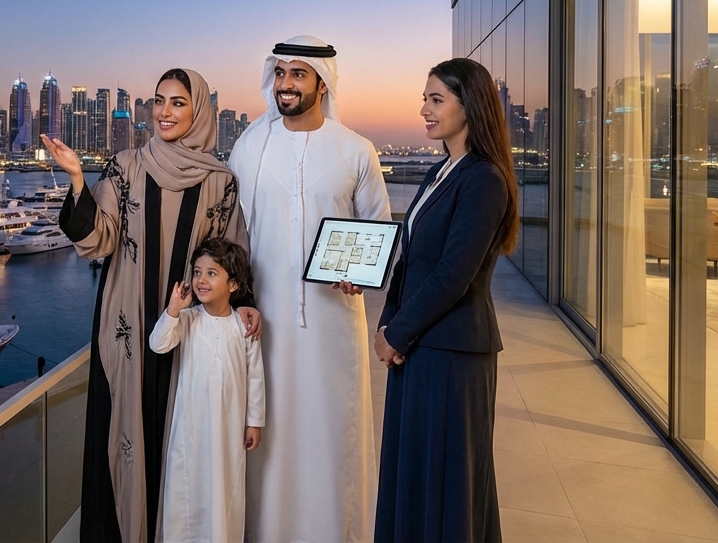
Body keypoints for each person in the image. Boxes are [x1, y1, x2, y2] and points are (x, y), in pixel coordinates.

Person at [44, 67, 259, 543]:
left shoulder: (220, 182)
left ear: (199, 110)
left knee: (178, 436)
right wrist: (78, 177)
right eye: (158, 101)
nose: (164, 112)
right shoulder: (125, 167)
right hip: (126, 324)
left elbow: (231, 255)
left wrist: (244, 303)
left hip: (191, 334)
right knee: (122, 430)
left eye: (178, 103)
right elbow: (98, 239)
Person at [227, 35, 392, 543]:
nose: (286, 85)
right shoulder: (250, 145)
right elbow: (233, 234)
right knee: (266, 435)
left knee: (331, 435)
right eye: (280, 74)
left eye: (298, 74)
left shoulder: (356, 149)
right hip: (263, 321)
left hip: (334, 323)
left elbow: (378, 232)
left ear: (323, 83)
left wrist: (360, 274)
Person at [373, 58, 518, 543]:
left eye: (436, 100)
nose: (424, 110)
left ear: (469, 105)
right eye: (425, 99)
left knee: (448, 481)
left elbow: (453, 275)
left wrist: (396, 332)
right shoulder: (443, 170)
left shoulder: (483, 180)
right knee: (415, 473)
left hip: (453, 356)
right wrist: (389, 323)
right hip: (420, 350)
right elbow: (411, 259)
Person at [149, 238, 265, 543]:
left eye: (212, 273)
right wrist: (174, 309)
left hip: (228, 428)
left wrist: (254, 421)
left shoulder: (244, 327)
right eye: (197, 272)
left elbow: (255, 376)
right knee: (188, 488)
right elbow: (158, 344)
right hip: (191, 429)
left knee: (224, 487)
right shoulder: (188, 320)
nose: (201, 279)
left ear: (234, 284)